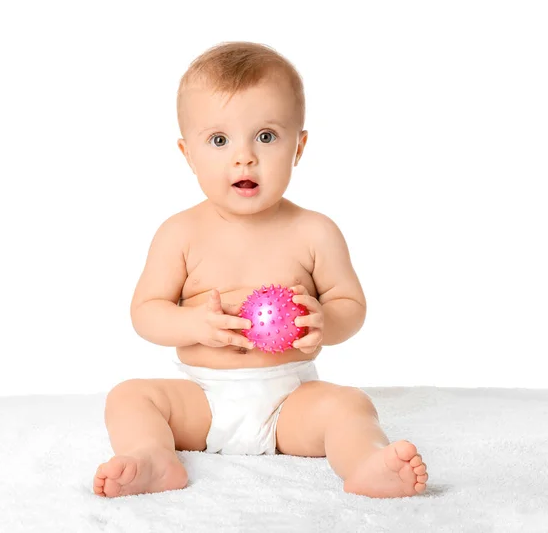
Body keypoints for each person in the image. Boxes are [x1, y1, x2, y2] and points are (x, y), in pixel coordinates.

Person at [93, 41, 428, 499]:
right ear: (187, 153)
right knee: (129, 396)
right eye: (219, 140)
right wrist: (194, 324)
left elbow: (351, 305)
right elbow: (145, 312)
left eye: (266, 136)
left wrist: (323, 321)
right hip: (204, 399)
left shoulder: (314, 231)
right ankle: (154, 457)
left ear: (299, 146)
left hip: (289, 399)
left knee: (350, 405)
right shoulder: (179, 232)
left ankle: (367, 462)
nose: (244, 157)